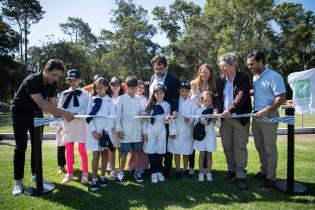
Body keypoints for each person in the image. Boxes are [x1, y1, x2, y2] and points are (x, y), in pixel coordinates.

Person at [12, 59, 74, 196]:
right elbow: (41, 103)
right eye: (54, 75)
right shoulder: (32, 80)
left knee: (37, 146)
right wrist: (65, 113)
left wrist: (63, 116)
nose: (55, 79)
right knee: (21, 147)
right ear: (46, 70)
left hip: (36, 115)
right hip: (20, 114)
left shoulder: (53, 84)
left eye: (58, 76)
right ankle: (18, 181)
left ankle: (36, 175)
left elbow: (53, 107)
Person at [246, 51, 286, 190]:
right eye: (249, 65)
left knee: (270, 148)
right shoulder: (256, 77)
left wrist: (264, 111)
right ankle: (264, 172)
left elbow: (281, 98)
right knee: (260, 146)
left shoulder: (274, 76)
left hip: (269, 115)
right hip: (256, 116)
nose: (250, 67)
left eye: (252, 64)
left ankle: (271, 178)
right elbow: (259, 92)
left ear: (260, 61)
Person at [214, 52, 252, 189]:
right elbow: (217, 98)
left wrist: (229, 110)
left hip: (239, 118)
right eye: (221, 66)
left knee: (240, 147)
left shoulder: (243, 77)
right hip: (224, 120)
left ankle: (241, 175)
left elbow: (241, 95)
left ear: (233, 65)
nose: (222, 68)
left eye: (224, 66)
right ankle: (231, 170)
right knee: (227, 146)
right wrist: (217, 111)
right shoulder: (219, 79)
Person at [149, 55, 180, 177]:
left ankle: (166, 169)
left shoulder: (173, 79)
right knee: (154, 142)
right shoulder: (152, 78)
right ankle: (155, 168)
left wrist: (174, 111)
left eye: (161, 68)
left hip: (166, 115)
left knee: (166, 143)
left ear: (166, 67)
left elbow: (175, 98)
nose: (158, 71)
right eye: (156, 69)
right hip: (153, 116)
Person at [58, 69, 90, 185]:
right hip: (68, 123)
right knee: (68, 148)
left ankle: (85, 173)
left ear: (79, 80)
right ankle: (69, 173)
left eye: (75, 80)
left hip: (80, 123)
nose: (72, 82)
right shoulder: (64, 93)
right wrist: (65, 115)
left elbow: (87, 108)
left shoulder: (85, 94)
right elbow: (60, 107)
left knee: (82, 149)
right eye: (70, 80)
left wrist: (77, 115)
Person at [86, 77, 115, 191]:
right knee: (95, 156)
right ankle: (94, 178)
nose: (98, 90)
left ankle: (102, 176)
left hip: (105, 133)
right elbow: (88, 117)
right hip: (94, 133)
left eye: (101, 88)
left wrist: (104, 131)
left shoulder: (110, 101)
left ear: (106, 88)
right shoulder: (92, 100)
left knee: (104, 156)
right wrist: (93, 131)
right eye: (97, 88)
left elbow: (112, 118)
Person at [189, 63, 216, 175]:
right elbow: (191, 99)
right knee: (194, 140)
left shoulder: (213, 85)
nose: (203, 74)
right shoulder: (193, 84)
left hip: (206, 115)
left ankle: (205, 168)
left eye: (206, 72)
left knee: (205, 140)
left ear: (210, 74)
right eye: (202, 72)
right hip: (195, 115)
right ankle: (191, 166)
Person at [115, 76, 144, 184]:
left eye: (135, 88)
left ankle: (137, 171)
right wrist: (119, 129)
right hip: (125, 131)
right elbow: (117, 116)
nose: (134, 91)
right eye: (131, 88)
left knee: (136, 151)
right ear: (126, 87)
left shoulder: (139, 99)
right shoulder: (121, 99)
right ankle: (121, 172)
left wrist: (143, 114)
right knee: (124, 152)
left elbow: (141, 111)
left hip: (136, 130)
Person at [168, 81, 199, 179]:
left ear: (190, 91)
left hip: (187, 130)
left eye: (186, 91)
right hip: (176, 129)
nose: (184, 93)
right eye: (182, 91)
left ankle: (185, 169)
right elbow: (171, 116)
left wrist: (189, 119)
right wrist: (172, 131)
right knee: (176, 151)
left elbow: (195, 115)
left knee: (186, 151)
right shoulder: (175, 101)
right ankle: (177, 170)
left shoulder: (193, 102)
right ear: (178, 91)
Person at [143, 83, 172, 183]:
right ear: (154, 94)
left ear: (164, 93)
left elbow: (166, 120)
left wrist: (168, 118)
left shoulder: (167, 105)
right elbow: (145, 120)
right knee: (152, 151)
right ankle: (153, 172)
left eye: (161, 93)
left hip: (161, 128)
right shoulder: (150, 104)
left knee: (160, 150)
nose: (159, 95)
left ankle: (159, 171)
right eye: (157, 93)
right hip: (151, 129)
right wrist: (145, 132)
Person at [193, 91, 218, 182]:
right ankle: (201, 172)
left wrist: (214, 119)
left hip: (210, 135)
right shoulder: (198, 111)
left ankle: (208, 172)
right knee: (201, 154)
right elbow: (195, 122)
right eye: (205, 101)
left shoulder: (214, 112)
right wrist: (201, 122)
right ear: (202, 100)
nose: (207, 103)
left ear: (212, 101)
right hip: (201, 136)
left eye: (209, 101)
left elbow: (218, 124)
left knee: (209, 155)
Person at [128, 80, 150, 174]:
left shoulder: (145, 99)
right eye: (138, 87)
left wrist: (143, 114)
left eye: (142, 88)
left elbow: (145, 112)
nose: (140, 89)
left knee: (142, 148)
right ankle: (132, 165)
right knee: (133, 148)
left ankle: (143, 166)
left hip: (142, 126)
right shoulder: (130, 98)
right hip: (132, 126)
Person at [107, 76, 124, 181]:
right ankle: (113, 171)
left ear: (120, 86)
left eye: (117, 84)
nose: (115, 86)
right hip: (110, 128)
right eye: (113, 85)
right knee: (111, 149)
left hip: (121, 127)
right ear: (110, 85)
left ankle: (121, 171)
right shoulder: (107, 97)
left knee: (121, 150)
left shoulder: (124, 97)